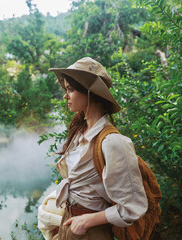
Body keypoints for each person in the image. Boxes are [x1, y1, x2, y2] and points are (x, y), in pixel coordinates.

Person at [48, 57, 148, 240]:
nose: (65, 96)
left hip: (90, 232)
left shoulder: (112, 142)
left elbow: (134, 206)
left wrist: (89, 221)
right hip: (70, 221)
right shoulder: (80, 132)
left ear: (89, 92)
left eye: (70, 89)